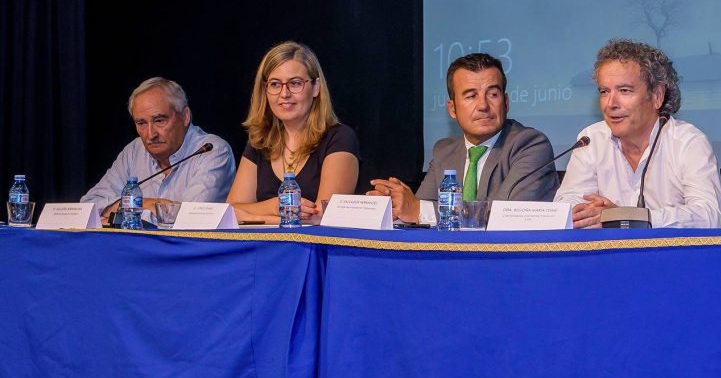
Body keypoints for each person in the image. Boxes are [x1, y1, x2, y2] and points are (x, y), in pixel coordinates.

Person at [555, 39, 721, 228]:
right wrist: (584, 212)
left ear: (657, 96)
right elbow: (565, 205)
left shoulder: (689, 143)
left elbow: (709, 216)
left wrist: (624, 218)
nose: (610, 103)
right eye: (604, 91)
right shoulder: (591, 139)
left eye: (624, 90)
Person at [368, 53, 556, 224]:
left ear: (505, 103)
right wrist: (396, 205)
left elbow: (506, 215)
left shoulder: (530, 145)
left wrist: (418, 210)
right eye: (471, 96)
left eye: (492, 94)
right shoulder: (444, 151)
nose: (483, 105)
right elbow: (419, 208)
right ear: (452, 109)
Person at [227, 41, 359, 223]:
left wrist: (255, 215)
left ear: (315, 87)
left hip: (313, 249)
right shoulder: (259, 141)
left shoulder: (339, 138)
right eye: (275, 84)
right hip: (262, 248)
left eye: (295, 83)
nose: (284, 94)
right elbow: (231, 211)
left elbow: (323, 217)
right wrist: (273, 207)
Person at [82, 77, 235, 218]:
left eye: (159, 120)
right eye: (141, 123)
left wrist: (116, 211)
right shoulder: (134, 150)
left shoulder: (212, 150)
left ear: (185, 116)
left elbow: (189, 218)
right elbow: (88, 205)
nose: (150, 134)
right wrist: (144, 204)